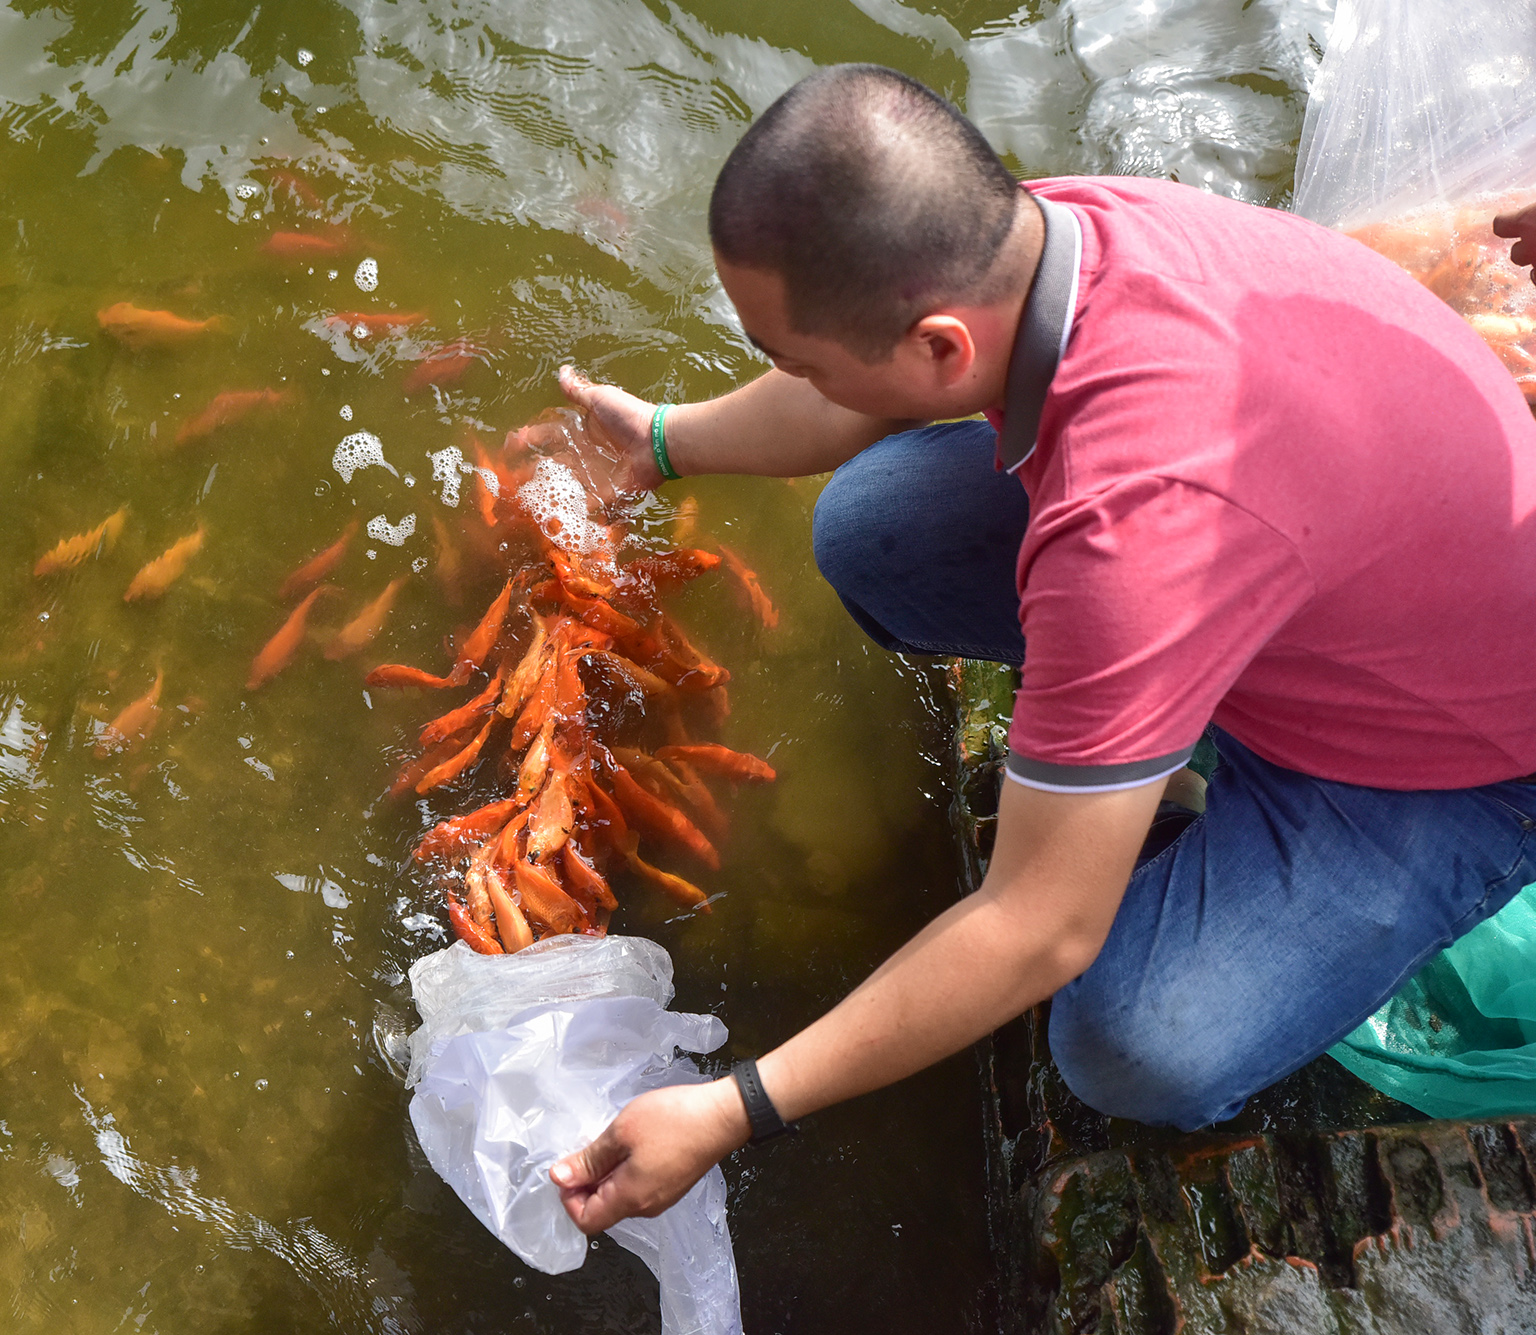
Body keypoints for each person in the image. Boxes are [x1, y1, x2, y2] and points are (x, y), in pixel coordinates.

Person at [544, 64, 1536, 1238]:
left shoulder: (1132, 523)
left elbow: (1032, 925)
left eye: (797, 357)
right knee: (875, 533)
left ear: (938, 344)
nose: (793, 378)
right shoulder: (1058, 231)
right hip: (1323, 582)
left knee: (1130, 1043)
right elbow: (858, 391)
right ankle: (1138, 765)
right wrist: (659, 442)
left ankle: (1181, 810)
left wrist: (732, 1107)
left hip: (1443, 753)